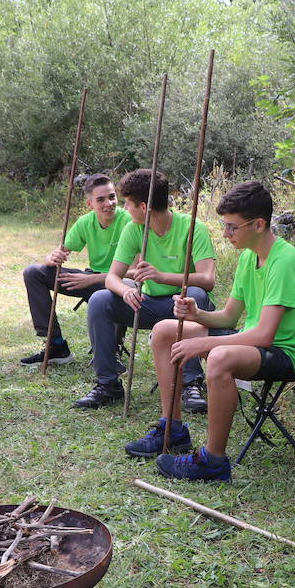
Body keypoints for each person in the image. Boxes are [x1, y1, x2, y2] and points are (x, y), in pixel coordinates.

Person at [122, 180, 295, 482]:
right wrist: (196, 313)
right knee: (165, 330)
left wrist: (203, 347)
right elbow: (229, 317)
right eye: (225, 226)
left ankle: (213, 462)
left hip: (287, 352)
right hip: (255, 344)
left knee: (219, 358)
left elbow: (264, 336)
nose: (226, 234)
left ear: (258, 224)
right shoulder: (248, 257)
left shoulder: (284, 262)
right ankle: (173, 428)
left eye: (232, 227)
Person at [74, 169, 216, 410]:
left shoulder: (192, 227)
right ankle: (108, 384)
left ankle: (190, 384)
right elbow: (112, 278)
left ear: (143, 207)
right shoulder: (134, 229)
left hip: (183, 304)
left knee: (195, 294)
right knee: (100, 299)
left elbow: (207, 279)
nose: (124, 209)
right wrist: (125, 291)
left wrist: (162, 276)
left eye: (127, 203)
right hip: (148, 304)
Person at [20, 173, 131, 365]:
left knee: (115, 289)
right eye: (101, 199)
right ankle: (56, 346)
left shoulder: (129, 221)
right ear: (90, 204)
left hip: (121, 282)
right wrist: (52, 258)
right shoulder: (85, 222)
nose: (109, 203)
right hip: (92, 277)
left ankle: (112, 350)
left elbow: (137, 273)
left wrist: (93, 280)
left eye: (112, 197)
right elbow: (61, 251)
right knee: (33, 273)